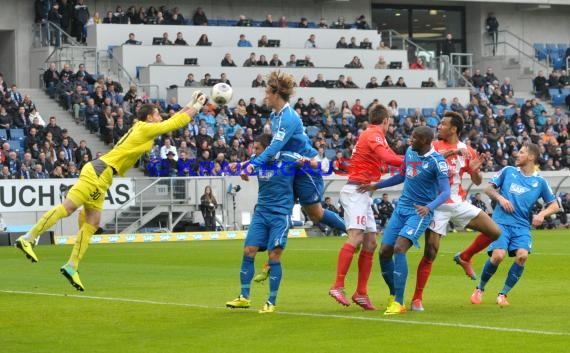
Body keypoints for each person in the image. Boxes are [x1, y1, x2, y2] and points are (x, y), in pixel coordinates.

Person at [14, 91, 208, 291]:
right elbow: (175, 123)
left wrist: (191, 102)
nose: (161, 117)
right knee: (69, 208)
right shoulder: (144, 128)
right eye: (158, 114)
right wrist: (198, 106)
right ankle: (28, 238)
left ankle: (72, 266)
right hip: (98, 171)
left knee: (93, 222)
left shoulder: (144, 127)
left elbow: (173, 119)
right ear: (150, 117)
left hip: (104, 176)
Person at [243, 71, 347, 279]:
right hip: (290, 165)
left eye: (267, 93)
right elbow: (275, 149)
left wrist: (254, 164)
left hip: (305, 169)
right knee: (282, 206)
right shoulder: (275, 116)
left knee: (316, 214)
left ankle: (351, 231)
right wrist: (251, 161)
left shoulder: (288, 117)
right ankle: (270, 261)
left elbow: (275, 147)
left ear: (276, 93)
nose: (265, 97)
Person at [409, 112, 502, 312]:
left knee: (495, 232)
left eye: (443, 124)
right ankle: (417, 298)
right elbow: (427, 163)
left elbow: (476, 181)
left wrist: (476, 170)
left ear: (454, 129)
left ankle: (465, 256)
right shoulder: (432, 146)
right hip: (436, 205)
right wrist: (451, 153)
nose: (439, 126)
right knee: (431, 252)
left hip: (458, 203)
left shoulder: (467, 150)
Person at [358, 126, 451, 315]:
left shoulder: (437, 162)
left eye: (414, 138)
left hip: (419, 212)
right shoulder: (410, 152)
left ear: (425, 141)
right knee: (384, 251)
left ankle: (399, 303)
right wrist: (377, 185)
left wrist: (429, 207)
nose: (410, 140)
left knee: (400, 248)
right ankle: (394, 293)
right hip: (402, 209)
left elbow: (446, 191)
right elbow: (402, 175)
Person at [328, 104, 404, 310]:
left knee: (370, 242)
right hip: (355, 193)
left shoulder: (374, 136)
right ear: (386, 120)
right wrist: (414, 160)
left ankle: (361, 292)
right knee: (356, 237)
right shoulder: (374, 134)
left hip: (363, 194)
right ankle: (338, 286)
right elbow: (390, 159)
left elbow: (390, 157)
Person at [469, 143, 559, 306]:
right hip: (500, 223)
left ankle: (503, 294)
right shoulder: (508, 171)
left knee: (522, 256)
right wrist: (501, 199)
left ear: (531, 157)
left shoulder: (540, 181)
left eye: (522, 152)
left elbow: (554, 205)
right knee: (498, 256)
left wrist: (541, 214)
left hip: (522, 226)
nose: (517, 154)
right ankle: (479, 289)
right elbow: (488, 189)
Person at [225, 134, 296, 314]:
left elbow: (310, 162)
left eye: (257, 149)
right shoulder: (258, 161)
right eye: (254, 149)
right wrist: (241, 168)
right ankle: (244, 297)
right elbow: (248, 165)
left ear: (268, 148)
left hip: (280, 215)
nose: (254, 152)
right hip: (261, 213)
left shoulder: (288, 159)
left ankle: (271, 301)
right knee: (248, 250)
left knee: (274, 256)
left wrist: (312, 164)